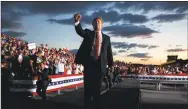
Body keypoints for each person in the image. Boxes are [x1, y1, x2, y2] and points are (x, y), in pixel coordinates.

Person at [74, 13, 113, 109]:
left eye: (99, 22)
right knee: (87, 88)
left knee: (97, 89)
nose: (97, 24)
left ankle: (96, 105)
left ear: (102, 25)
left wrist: (111, 65)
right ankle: (87, 106)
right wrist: (77, 22)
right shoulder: (88, 34)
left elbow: (109, 52)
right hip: (89, 64)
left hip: (100, 66)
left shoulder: (107, 38)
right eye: (95, 22)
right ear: (92, 25)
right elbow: (80, 31)